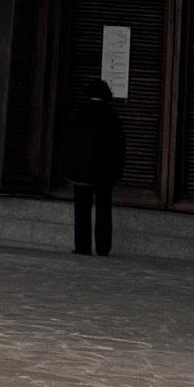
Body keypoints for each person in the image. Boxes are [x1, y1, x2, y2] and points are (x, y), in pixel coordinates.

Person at [61, 75, 127, 257]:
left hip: (81, 172)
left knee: (82, 209)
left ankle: (82, 246)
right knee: (104, 208)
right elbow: (120, 145)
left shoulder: (79, 113)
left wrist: (68, 167)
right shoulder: (112, 116)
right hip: (105, 173)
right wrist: (117, 170)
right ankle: (103, 246)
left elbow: (69, 143)